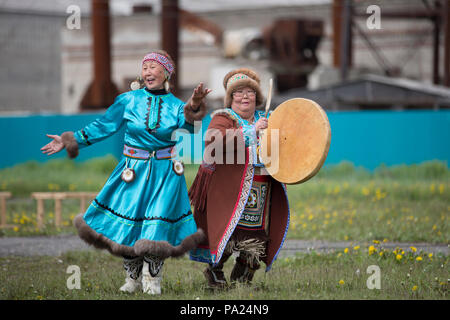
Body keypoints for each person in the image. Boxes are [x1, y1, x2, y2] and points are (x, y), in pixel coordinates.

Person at [41, 50, 210, 295]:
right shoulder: (128, 100)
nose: (148, 72)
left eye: (153, 67)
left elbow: (190, 128)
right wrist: (71, 140)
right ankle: (132, 279)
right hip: (133, 171)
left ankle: (153, 280)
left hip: (165, 174)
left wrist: (194, 105)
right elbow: (103, 126)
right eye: (145, 67)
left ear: (166, 73)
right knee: (131, 225)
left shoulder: (176, 106)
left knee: (156, 226)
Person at [188, 68, 290, 288]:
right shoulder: (223, 118)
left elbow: (281, 148)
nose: (245, 96)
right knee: (227, 231)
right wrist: (252, 131)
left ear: (257, 97)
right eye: (239, 92)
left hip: (260, 191)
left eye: (250, 92)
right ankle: (214, 272)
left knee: (254, 236)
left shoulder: (266, 120)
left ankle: (243, 276)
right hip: (228, 191)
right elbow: (212, 143)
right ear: (231, 98)